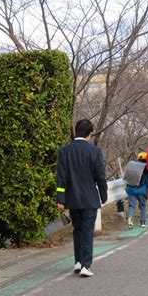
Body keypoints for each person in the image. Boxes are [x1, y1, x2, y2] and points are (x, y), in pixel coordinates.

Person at [56, 119, 108, 278]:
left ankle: (78, 261)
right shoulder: (94, 151)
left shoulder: (64, 151)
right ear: (89, 134)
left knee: (77, 229)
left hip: (72, 198)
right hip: (89, 198)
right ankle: (86, 264)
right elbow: (100, 176)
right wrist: (103, 195)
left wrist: (61, 199)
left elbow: (61, 177)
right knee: (87, 231)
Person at [125, 152, 148, 229]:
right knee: (142, 205)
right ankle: (142, 222)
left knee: (131, 206)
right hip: (141, 190)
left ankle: (130, 219)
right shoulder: (146, 169)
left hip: (130, 189)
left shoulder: (132, 167)